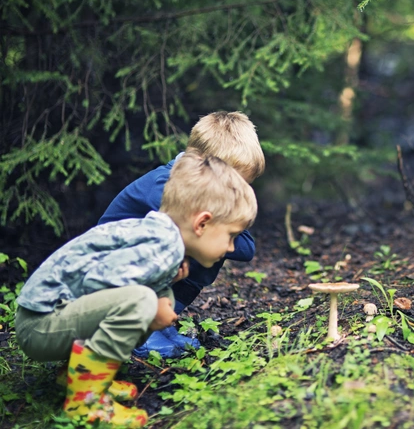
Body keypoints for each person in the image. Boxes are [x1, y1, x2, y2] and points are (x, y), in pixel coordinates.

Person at [14, 152, 258, 426]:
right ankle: (85, 402)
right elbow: (98, 284)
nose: (232, 248)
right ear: (201, 223)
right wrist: (153, 302)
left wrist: (163, 291)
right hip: (39, 326)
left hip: (50, 319)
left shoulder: (160, 238)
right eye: (231, 236)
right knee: (142, 303)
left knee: (149, 300)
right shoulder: (160, 246)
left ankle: (78, 375)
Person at [99, 111, 265, 358]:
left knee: (207, 248)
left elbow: (245, 249)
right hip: (106, 274)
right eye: (232, 184)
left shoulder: (202, 195)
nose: (236, 194)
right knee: (189, 240)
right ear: (202, 164)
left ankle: (157, 322)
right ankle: (136, 328)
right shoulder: (165, 186)